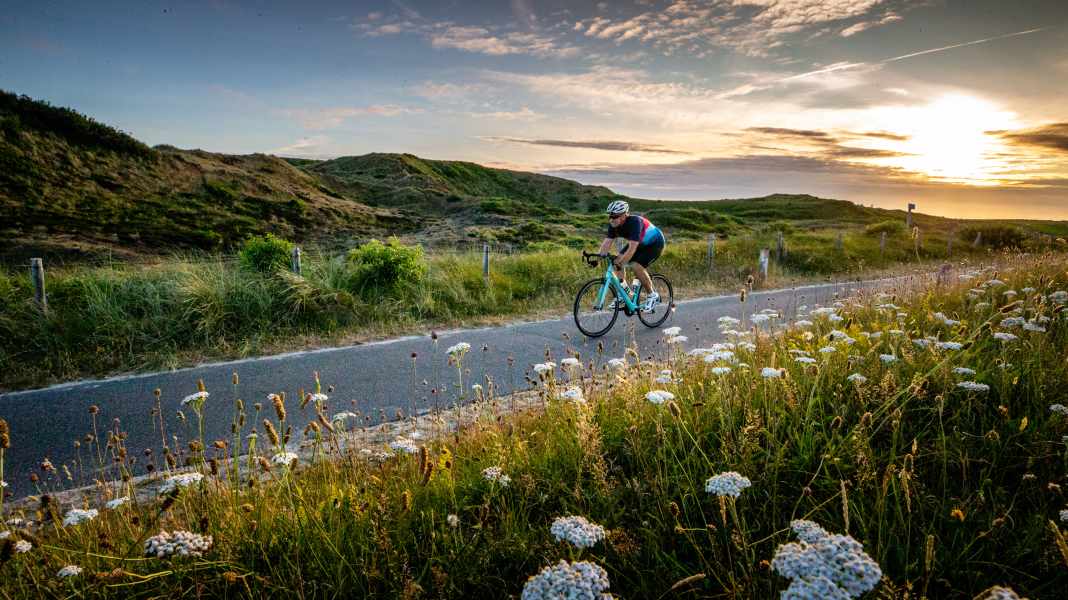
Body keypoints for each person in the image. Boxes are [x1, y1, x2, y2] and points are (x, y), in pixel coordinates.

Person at [597, 200, 665, 311]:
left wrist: (622, 263)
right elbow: (607, 243)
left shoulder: (635, 222)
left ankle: (652, 295)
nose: (612, 219)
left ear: (624, 215)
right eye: (610, 216)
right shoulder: (613, 225)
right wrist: (598, 258)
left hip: (654, 243)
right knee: (616, 262)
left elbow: (632, 248)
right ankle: (625, 295)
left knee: (635, 265)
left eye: (615, 216)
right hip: (639, 244)